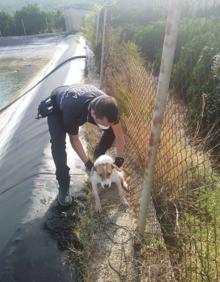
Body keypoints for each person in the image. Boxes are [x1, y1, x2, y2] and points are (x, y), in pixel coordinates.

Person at [38, 84, 125, 206]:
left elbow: (119, 135)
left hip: (81, 97)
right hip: (59, 105)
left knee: (111, 131)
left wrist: (120, 158)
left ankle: (98, 160)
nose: (109, 125)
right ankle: (64, 186)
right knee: (58, 144)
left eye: (110, 122)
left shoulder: (109, 106)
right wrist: (87, 163)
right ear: (94, 114)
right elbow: (74, 140)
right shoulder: (72, 112)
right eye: (104, 123)